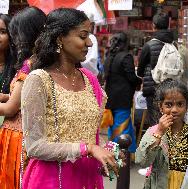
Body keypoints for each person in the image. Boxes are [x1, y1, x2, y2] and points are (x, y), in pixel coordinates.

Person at [21, 8, 119, 189]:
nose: (90, 43)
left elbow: (91, 133)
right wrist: (87, 149)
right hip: (52, 178)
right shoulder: (39, 80)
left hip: (88, 176)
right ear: (60, 39)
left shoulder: (89, 78)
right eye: (83, 36)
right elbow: (34, 146)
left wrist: (105, 154)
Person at [135, 79, 188, 189]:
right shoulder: (153, 132)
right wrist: (159, 133)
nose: (174, 110)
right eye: (168, 105)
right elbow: (142, 161)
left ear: (186, 107)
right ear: (161, 107)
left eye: (180, 104)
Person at [0, 7, 46, 189]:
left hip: (18, 137)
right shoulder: (43, 61)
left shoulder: (29, 65)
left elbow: (12, 108)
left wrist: (7, 100)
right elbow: (20, 98)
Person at [104, 32, 142, 153]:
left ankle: (125, 151)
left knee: (113, 126)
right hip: (122, 98)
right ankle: (120, 156)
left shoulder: (109, 56)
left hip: (110, 98)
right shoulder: (126, 56)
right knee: (122, 127)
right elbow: (131, 76)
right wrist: (139, 81)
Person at [137, 10, 174, 126]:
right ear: (167, 25)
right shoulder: (174, 45)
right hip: (170, 88)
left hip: (152, 89)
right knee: (168, 119)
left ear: (153, 26)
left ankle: (157, 143)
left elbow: (140, 71)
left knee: (155, 122)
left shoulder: (148, 45)